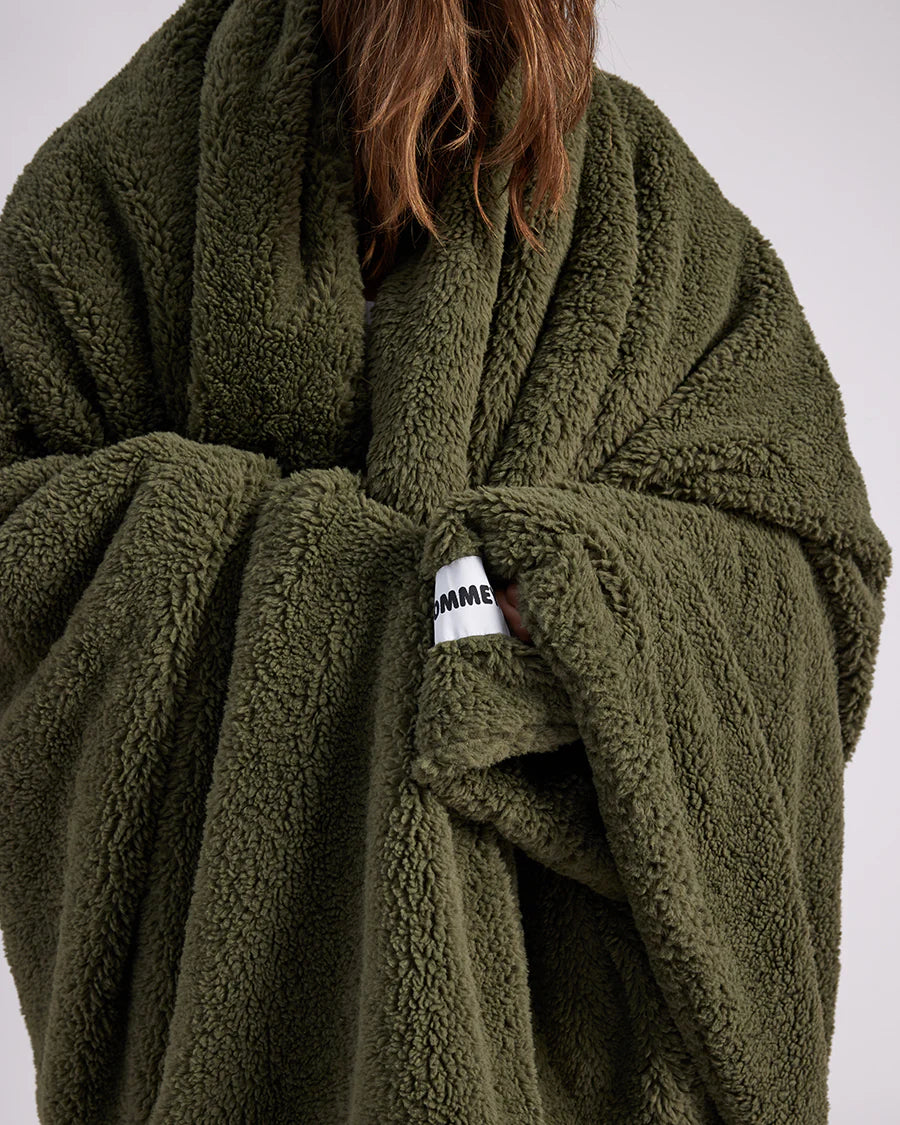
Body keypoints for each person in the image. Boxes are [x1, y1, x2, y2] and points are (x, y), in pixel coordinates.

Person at [0, 2, 890, 1123]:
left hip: (556, 1059)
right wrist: (365, 587)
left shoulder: (648, 206)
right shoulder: (131, 173)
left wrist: (568, 603)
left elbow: (805, 571)